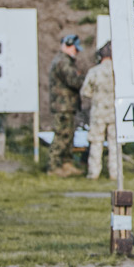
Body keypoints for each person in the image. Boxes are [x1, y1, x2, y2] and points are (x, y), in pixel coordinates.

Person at [47, 32, 87, 176]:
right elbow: (73, 81)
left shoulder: (64, 61)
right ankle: (54, 166)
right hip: (63, 106)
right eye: (75, 48)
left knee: (68, 136)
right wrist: (86, 79)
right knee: (62, 136)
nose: (76, 52)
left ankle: (66, 164)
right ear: (68, 45)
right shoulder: (63, 61)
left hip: (66, 105)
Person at [80, 43, 119, 181]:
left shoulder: (94, 71)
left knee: (96, 142)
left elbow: (85, 92)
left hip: (98, 113)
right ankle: (115, 173)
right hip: (115, 112)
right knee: (115, 143)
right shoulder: (118, 71)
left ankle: (93, 173)